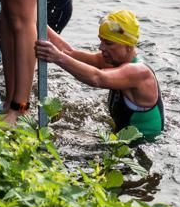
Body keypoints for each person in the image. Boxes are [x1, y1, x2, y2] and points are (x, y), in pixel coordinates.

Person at [35, 9, 165, 141]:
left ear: (128, 46)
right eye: (101, 41)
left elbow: (97, 78)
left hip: (142, 146)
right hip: (122, 139)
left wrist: (58, 58)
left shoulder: (139, 73)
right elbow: (69, 52)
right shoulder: (114, 61)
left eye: (108, 43)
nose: (101, 48)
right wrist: (34, 18)